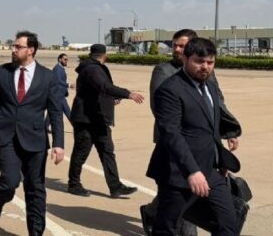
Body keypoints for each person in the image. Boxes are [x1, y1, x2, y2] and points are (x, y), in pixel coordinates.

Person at [140, 30, 241, 236]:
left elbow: (211, 125)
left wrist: (221, 156)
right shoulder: (170, 89)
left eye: (210, 62)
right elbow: (171, 134)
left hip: (210, 169)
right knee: (168, 227)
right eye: (199, 61)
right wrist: (192, 172)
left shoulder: (209, 85)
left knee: (229, 222)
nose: (205, 67)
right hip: (179, 172)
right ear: (185, 59)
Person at [0, 31, 64, 236]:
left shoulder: (47, 76)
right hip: (6, 137)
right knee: (9, 182)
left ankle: (35, 232)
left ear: (31, 50)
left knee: (35, 189)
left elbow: (55, 111)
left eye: (18, 47)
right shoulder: (3, 71)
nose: (13, 50)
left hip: (35, 139)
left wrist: (58, 143)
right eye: (13, 46)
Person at [67, 44, 145, 198]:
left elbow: (99, 91)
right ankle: (73, 184)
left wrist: (112, 99)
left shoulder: (93, 68)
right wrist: (127, 94)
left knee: (107, 152)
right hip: (86, 120)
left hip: (98, 118)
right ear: (105, 56)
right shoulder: (92, 69)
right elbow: (104, 87)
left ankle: (115, 186)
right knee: (81, 152)